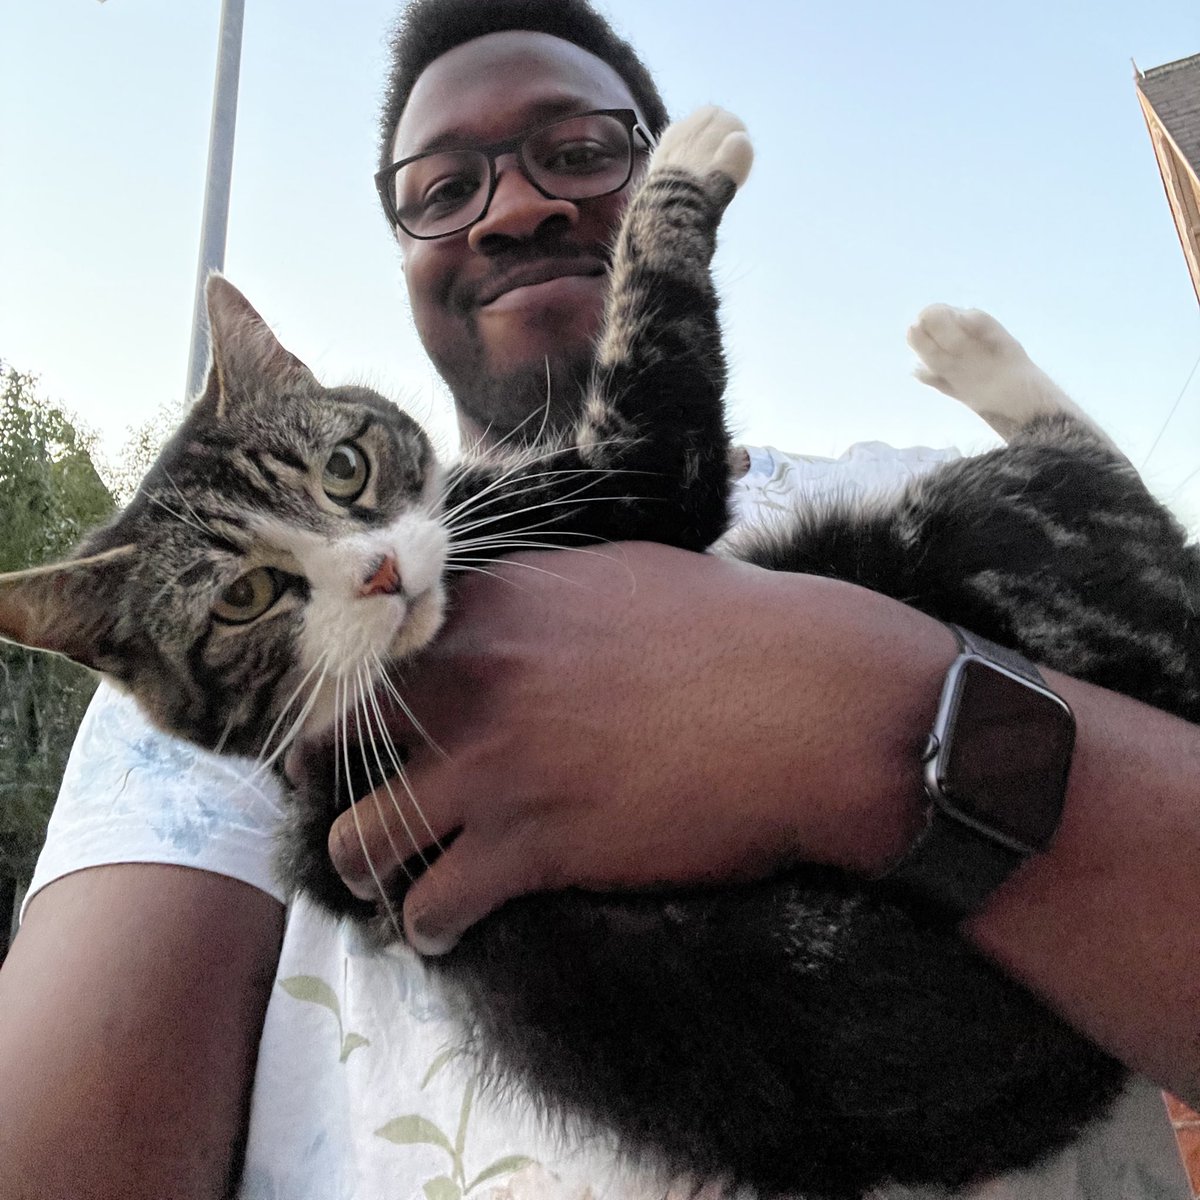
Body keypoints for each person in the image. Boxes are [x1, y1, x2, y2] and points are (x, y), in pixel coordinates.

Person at [0, 1, 1195, 1198]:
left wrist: (868, 711)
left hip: (963, 1031)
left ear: (649, 158)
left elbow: (653, 479)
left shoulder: (881, 484)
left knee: (1001, 523)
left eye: (577, 153)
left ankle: (1066, 453)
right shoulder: (218, 750)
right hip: (907, 1039)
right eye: (444, 185)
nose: (367, 564)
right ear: (403, 244)